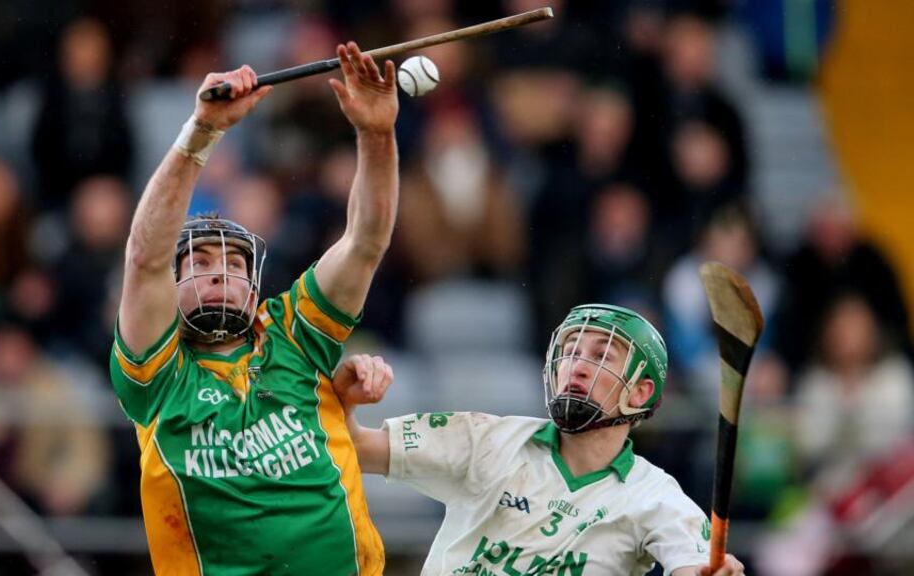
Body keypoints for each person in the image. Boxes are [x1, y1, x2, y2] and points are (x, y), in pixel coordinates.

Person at [110, 42, 398, 575]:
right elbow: (145, 256)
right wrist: (202, 131)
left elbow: (366, 242)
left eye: (234, 263)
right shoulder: (158, 376)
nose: (219, 271)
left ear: (254, 286)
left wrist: (376, 135)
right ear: (170, 289)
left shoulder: (296, 334)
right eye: (199, 261)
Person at [335, 304, 746, 575]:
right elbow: (351, 448)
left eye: (601, 356)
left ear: (640, 392)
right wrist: (346, 403)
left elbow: (693, 567)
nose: (576, 366)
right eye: (571, 351)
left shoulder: (654, 497)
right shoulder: (487, 439)